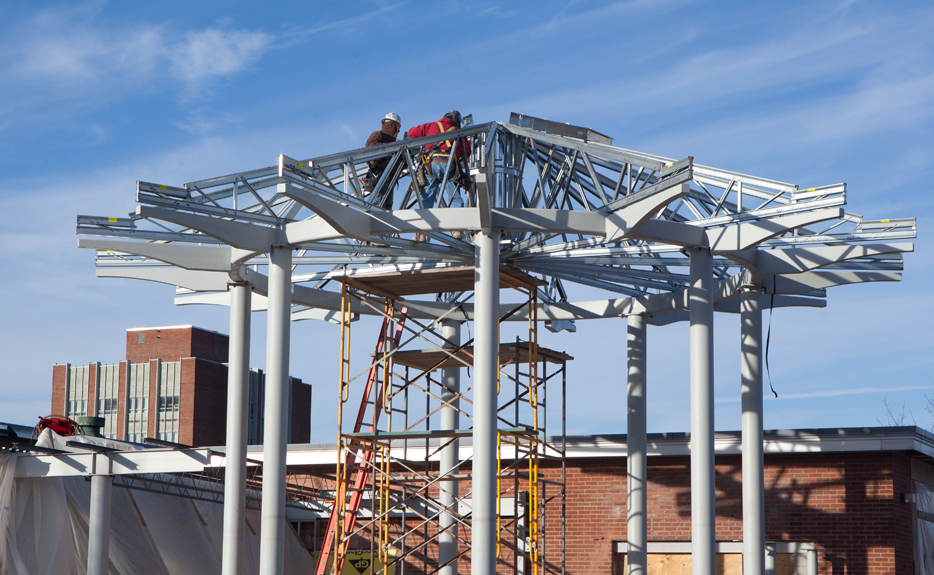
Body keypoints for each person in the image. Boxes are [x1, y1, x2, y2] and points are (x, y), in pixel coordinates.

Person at [405, 110, 472, 211]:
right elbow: (467, 153)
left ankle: (424, 220)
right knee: (455, 200)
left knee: (427, 197)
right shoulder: (459, 131)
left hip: (431, 164)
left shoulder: (432, 126)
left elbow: (411, 133)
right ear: (457, 121)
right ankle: (457, 220)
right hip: (449, 165)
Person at [362, 113, 402, 205]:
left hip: (389, 182)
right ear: (394, 125)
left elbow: (401, 164)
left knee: (386, 212)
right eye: (398, 127)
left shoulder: (396, 144)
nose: (399, 130)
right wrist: (391, 148)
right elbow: (371, 147)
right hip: (379, 177)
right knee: (376, 208)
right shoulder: (378, 134)